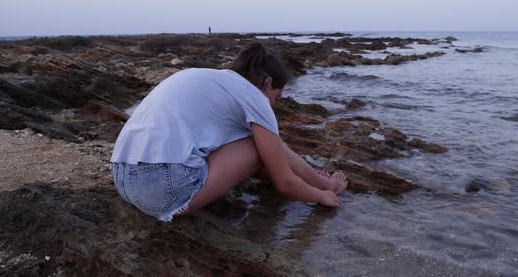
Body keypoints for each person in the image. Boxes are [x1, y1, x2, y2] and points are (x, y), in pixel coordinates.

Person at [110, 41, 348, 222]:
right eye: (277, 96)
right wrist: (320, 195)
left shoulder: (204, 77)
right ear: (267, 83)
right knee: (259, 145)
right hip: (161, 192)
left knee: (264, 147)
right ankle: (324, 184)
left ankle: (320, 181)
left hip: (122, 179)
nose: (274, 104)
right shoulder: (254, 96)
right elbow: (284, 183)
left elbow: (274, 156)